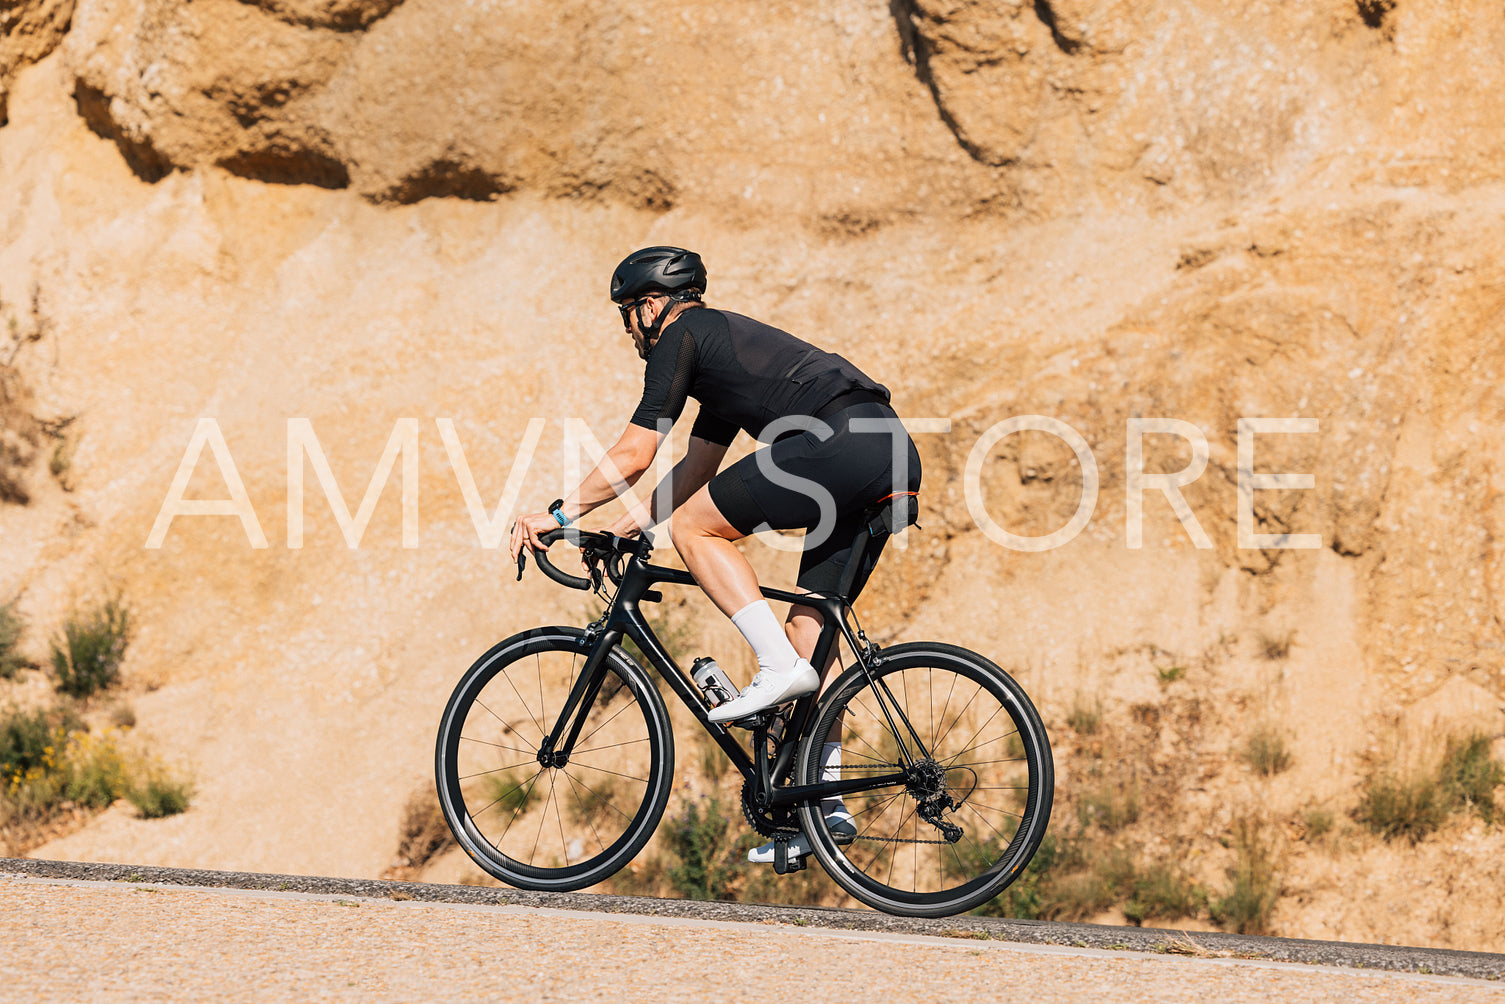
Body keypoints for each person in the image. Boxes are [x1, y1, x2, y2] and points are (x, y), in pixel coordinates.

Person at [508, 246, 921, 863]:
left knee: (697, 533)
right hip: (888, 452)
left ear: (651, 306)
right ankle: (823, 808)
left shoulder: (683, 335)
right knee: (810, 639)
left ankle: (775, 668)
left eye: (627, 315)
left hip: (837, 444)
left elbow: (634, 454)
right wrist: (625, 529)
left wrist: (561, 513)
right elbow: (695, 468)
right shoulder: (723, 358)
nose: (629, 330)